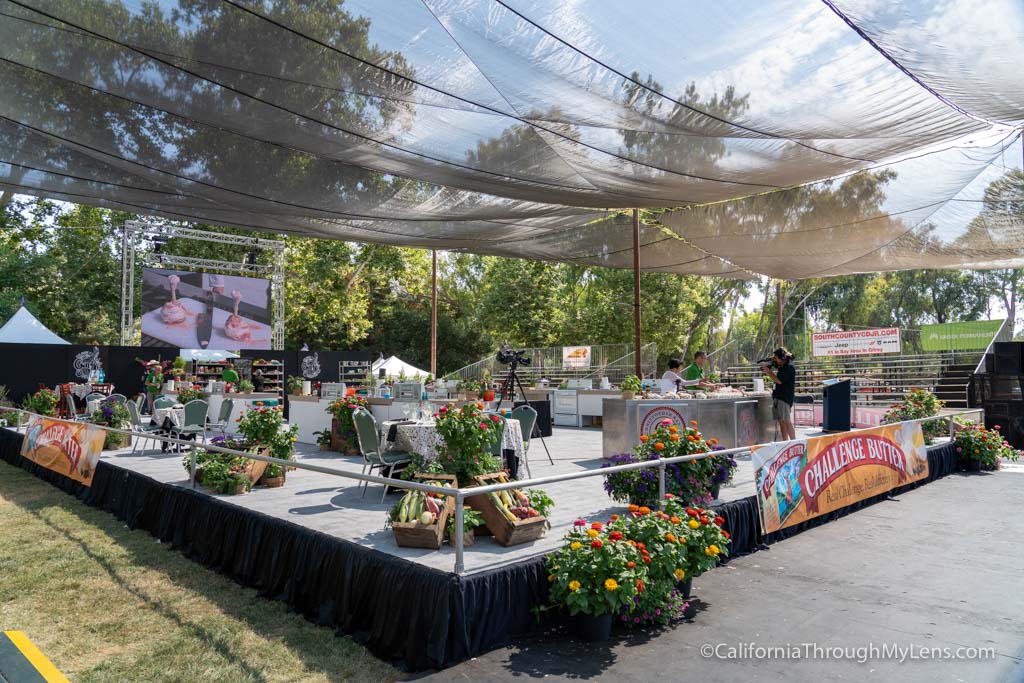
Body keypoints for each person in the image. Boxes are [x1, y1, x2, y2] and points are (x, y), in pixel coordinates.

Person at [763, 347, 796, 441]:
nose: (775, 360)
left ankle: (794, 442)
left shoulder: (789, 367)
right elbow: (775, 363)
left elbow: (779, 381)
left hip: (784, 397)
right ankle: (785, 442)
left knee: (786, 421)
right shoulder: (782, 366)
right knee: (781, 421)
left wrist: (769, 372)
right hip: (778, 396)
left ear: (782, 358)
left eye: (776, 358)